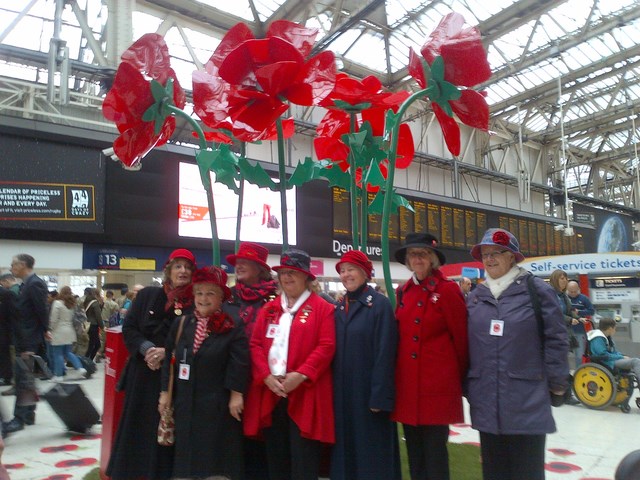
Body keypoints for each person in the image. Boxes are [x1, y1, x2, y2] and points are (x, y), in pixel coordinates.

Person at [466, 228, 569, 480]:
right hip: (487, 401)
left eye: (496, 253)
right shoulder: (476, 297)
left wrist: (557, 383)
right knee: (494, 471)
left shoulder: (536, 291)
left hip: (527, 401)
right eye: (485, 254)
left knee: (526, 471)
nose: (489, 259)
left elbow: (556, 338)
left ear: (512, 256)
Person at [244, 249, 336, 480]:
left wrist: (302, 374)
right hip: (273, 394)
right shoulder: (270, 309)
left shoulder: (322, 308)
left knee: (304, 461)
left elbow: (326, 346)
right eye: (284, 272)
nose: (287, 277)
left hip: (305, 394)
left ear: (306, 277)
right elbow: (255, 345)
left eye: (293, 273)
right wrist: (266, 376)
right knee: (277, 461)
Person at [107, 249, 197, 480]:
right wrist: (147, 349)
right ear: (168, 270)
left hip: (172, 379)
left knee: (165, 433)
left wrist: (168, 353)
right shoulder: (148, 295)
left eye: (187, 267)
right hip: (143, 373)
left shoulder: (196, 303)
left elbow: (196, 338)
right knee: (138, 430)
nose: (182, 271)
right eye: (178, 266)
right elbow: (130, 328)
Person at [159, 266, 249, 479]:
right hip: (185, 403)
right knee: (185, 458)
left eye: (210, 293)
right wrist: (165, 392)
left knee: (213, 461)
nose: (203, 298)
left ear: (221, 297)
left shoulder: (232, 325)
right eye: (199, 293)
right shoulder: (182, 323)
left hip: (215, 405)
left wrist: (237, 393)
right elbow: (169, 360)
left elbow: (239, 363)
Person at [391, 232, 468, 480]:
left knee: (434, 455)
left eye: (423, 254)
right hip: (408, 388)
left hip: (436, 390)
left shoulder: (447, 291)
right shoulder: (404, 291)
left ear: (433, 258)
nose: (417, 258)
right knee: (415, 454)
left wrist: (460, 379)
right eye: (413, 254)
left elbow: (461, 341)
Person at [331, 250, 400, 480]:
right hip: (344, 397)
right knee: (347, 453)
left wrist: (380, 396)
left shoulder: (379, 305)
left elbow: (385, 353)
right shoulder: (340, 307)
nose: (345, 275)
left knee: (372, 455)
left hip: (369, 398)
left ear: (364, 272)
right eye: (342, 271)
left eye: (350, 269)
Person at [223, 242, 278, 480]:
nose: (239, 266)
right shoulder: (228, 298)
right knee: (233, 438)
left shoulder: (275, 299)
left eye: (245, 262)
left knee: (262, 437)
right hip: (230, 379)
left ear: (259, 268)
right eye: (237, 263)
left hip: (263, 380)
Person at [3, 254, 49, 434]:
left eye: (13, 263)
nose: (11, 266)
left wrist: (45, 330)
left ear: (23, 265)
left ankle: (19, 418)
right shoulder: (26, 284)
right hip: (25, 337)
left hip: (29, 338)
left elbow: (41, 310)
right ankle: (29, 414)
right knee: (27, 378)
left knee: (23, 378)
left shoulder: (34, 283)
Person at [48, 286, 87, 381]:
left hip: (58, 331)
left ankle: (58, 375)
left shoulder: (57, 303)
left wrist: (49, 329)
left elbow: (53, 319)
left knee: (58, 354)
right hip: (70, 331)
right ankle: (80, 368)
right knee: (68, 352)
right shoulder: (72, 304)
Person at [567, 280, 595, 365]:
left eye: (575, 291)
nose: (572, 293)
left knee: (579, 355)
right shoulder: (564, 299)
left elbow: (591, 311)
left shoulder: (583, 298)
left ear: (578, 289)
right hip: (566, 331)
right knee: (564, 355)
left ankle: (578, 372)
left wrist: (579, 312)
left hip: (579, 331)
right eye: (570, 291)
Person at [84, 288, 104, 361]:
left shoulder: (87, 301)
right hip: (94, 325)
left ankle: (88, 360)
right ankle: (88, 361)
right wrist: (102, 326)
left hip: (88, 324)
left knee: (92, 344)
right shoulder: (95, 303)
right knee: (95, 345)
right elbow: (98, 316)